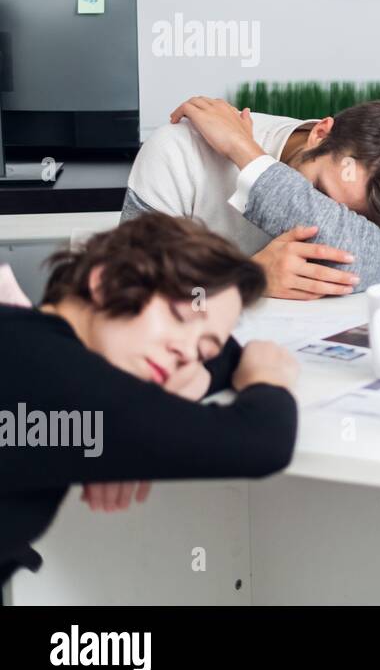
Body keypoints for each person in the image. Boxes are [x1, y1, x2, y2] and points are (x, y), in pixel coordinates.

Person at [0, 213, 299, 588]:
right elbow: (263, 441)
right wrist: (269, 379)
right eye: (179, 316)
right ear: (107, 282)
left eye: (202, 349)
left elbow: (225, 359)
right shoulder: (51, 376)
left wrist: (138, 424)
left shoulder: (31, 342)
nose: (185, 352)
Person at [123, 96, 380, 299]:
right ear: (321, 132)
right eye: (319, 191)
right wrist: (245, 279)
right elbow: (130, 294)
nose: (319, 218)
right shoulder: (178, 150)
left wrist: (243, 152)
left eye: (349, 220)